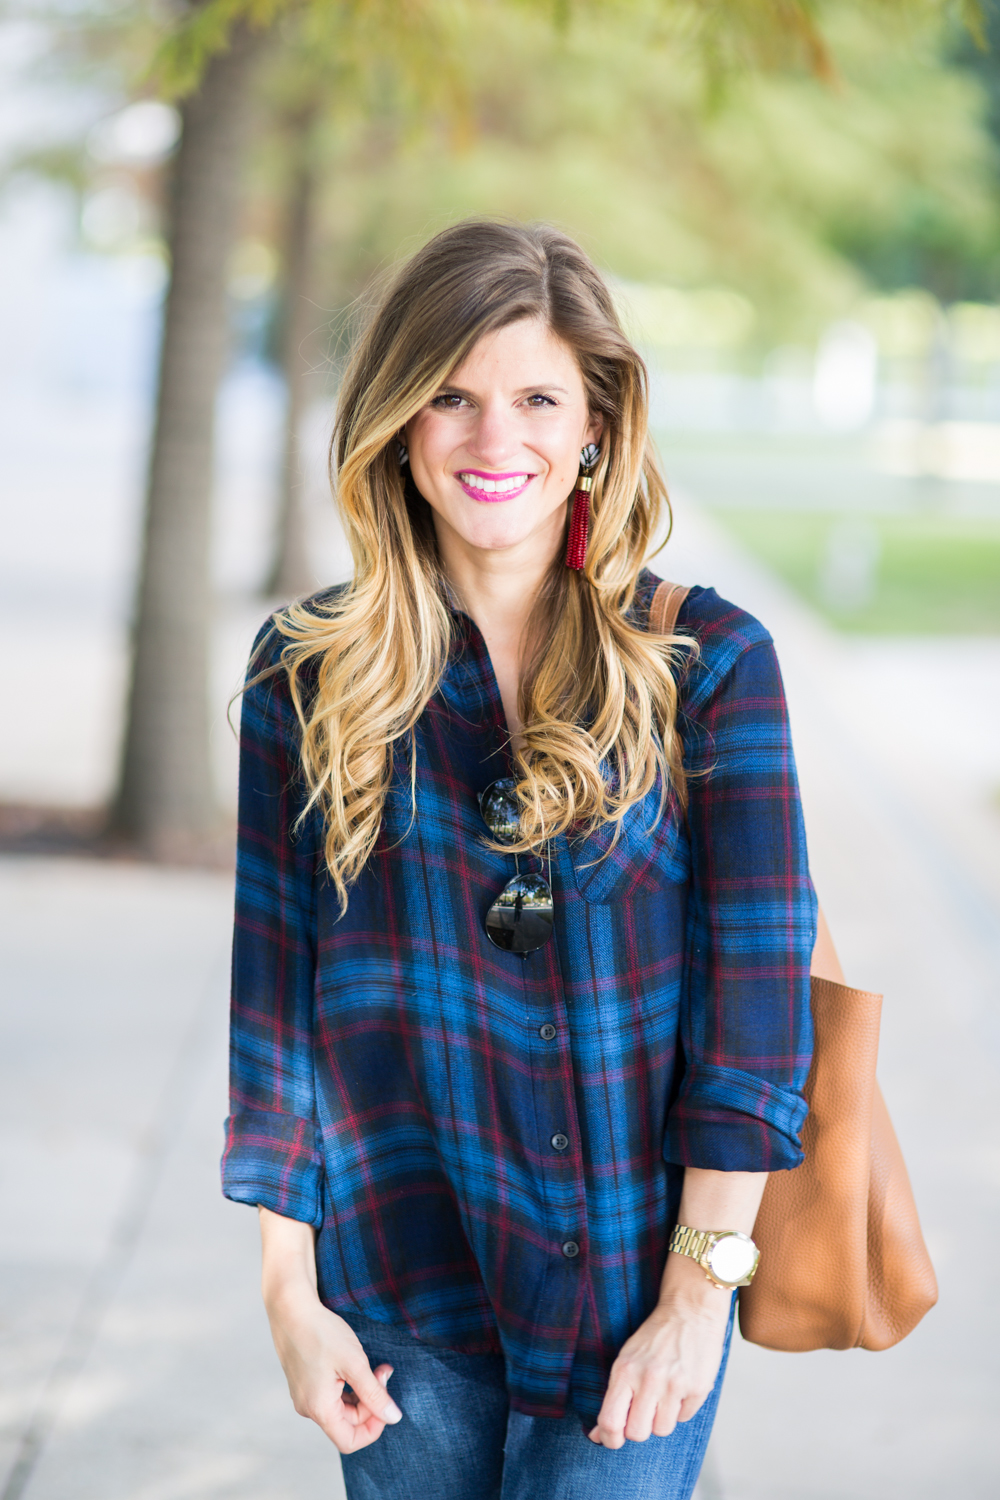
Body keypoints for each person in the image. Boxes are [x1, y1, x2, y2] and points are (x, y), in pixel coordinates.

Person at [222, 219, 816, 1500]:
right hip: (395, 1299)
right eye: (450, 397)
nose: (497, 441)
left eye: (538, 398)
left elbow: (755, 1024)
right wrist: (287, 1293)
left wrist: (696, 1297)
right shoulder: (306, 673)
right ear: (395, 421)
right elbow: (274, 1017)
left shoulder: (705, 666)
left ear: (595, 421)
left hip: (627, 1303)